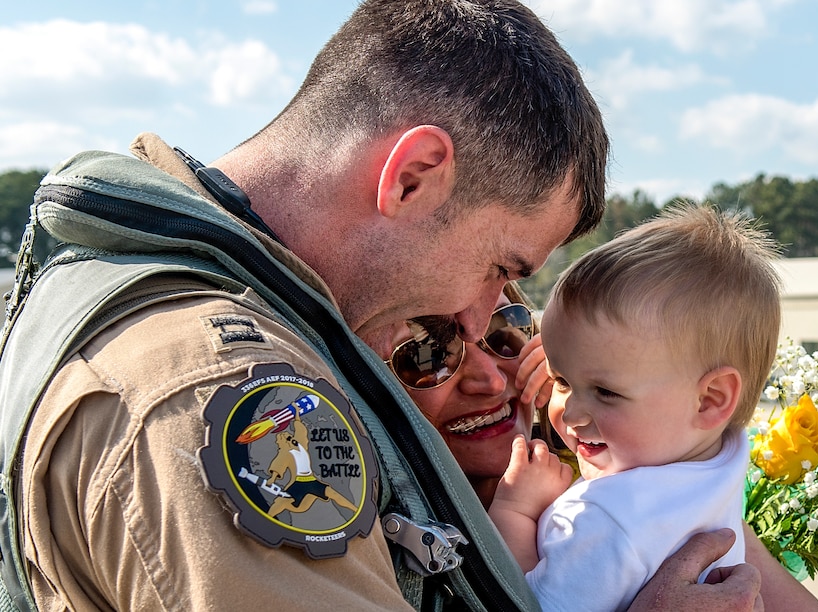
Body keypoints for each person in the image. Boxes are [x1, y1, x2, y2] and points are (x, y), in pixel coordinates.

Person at [0, 1, 766, 611]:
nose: (481, 320)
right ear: (412, 176)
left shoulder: (170, 298)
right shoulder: (213, 396)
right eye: (500, 266)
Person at [387, 282, 818, 611]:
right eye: (429, 354)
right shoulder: (379, 543)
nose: (492, 378)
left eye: (506, 332)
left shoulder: (626, 484)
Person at [487, 204, 792, 611]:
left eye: (606, 391)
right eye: (562, 380)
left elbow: (523, 606)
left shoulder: (605, 520)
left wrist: (516, 511)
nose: (573, 413)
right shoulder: (719, 457)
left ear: (711, 399)